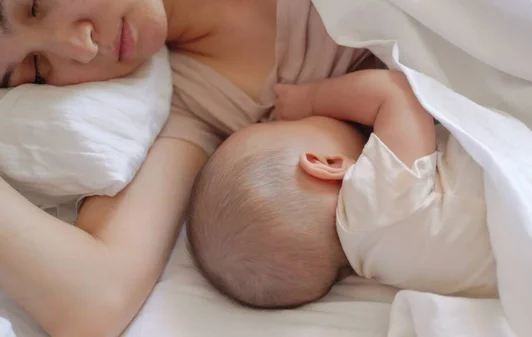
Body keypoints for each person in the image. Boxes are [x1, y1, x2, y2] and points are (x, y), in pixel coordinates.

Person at [0, 0, 372, 336]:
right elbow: (95, 296)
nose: (82, 47)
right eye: (37, 69)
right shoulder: (189, 106)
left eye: (35, 6)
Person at [188, 69, 497, 309]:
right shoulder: (371, 205)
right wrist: (311, 99)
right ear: (325, 163)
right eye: (284, 125)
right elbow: (398, 93)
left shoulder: (380, 261)